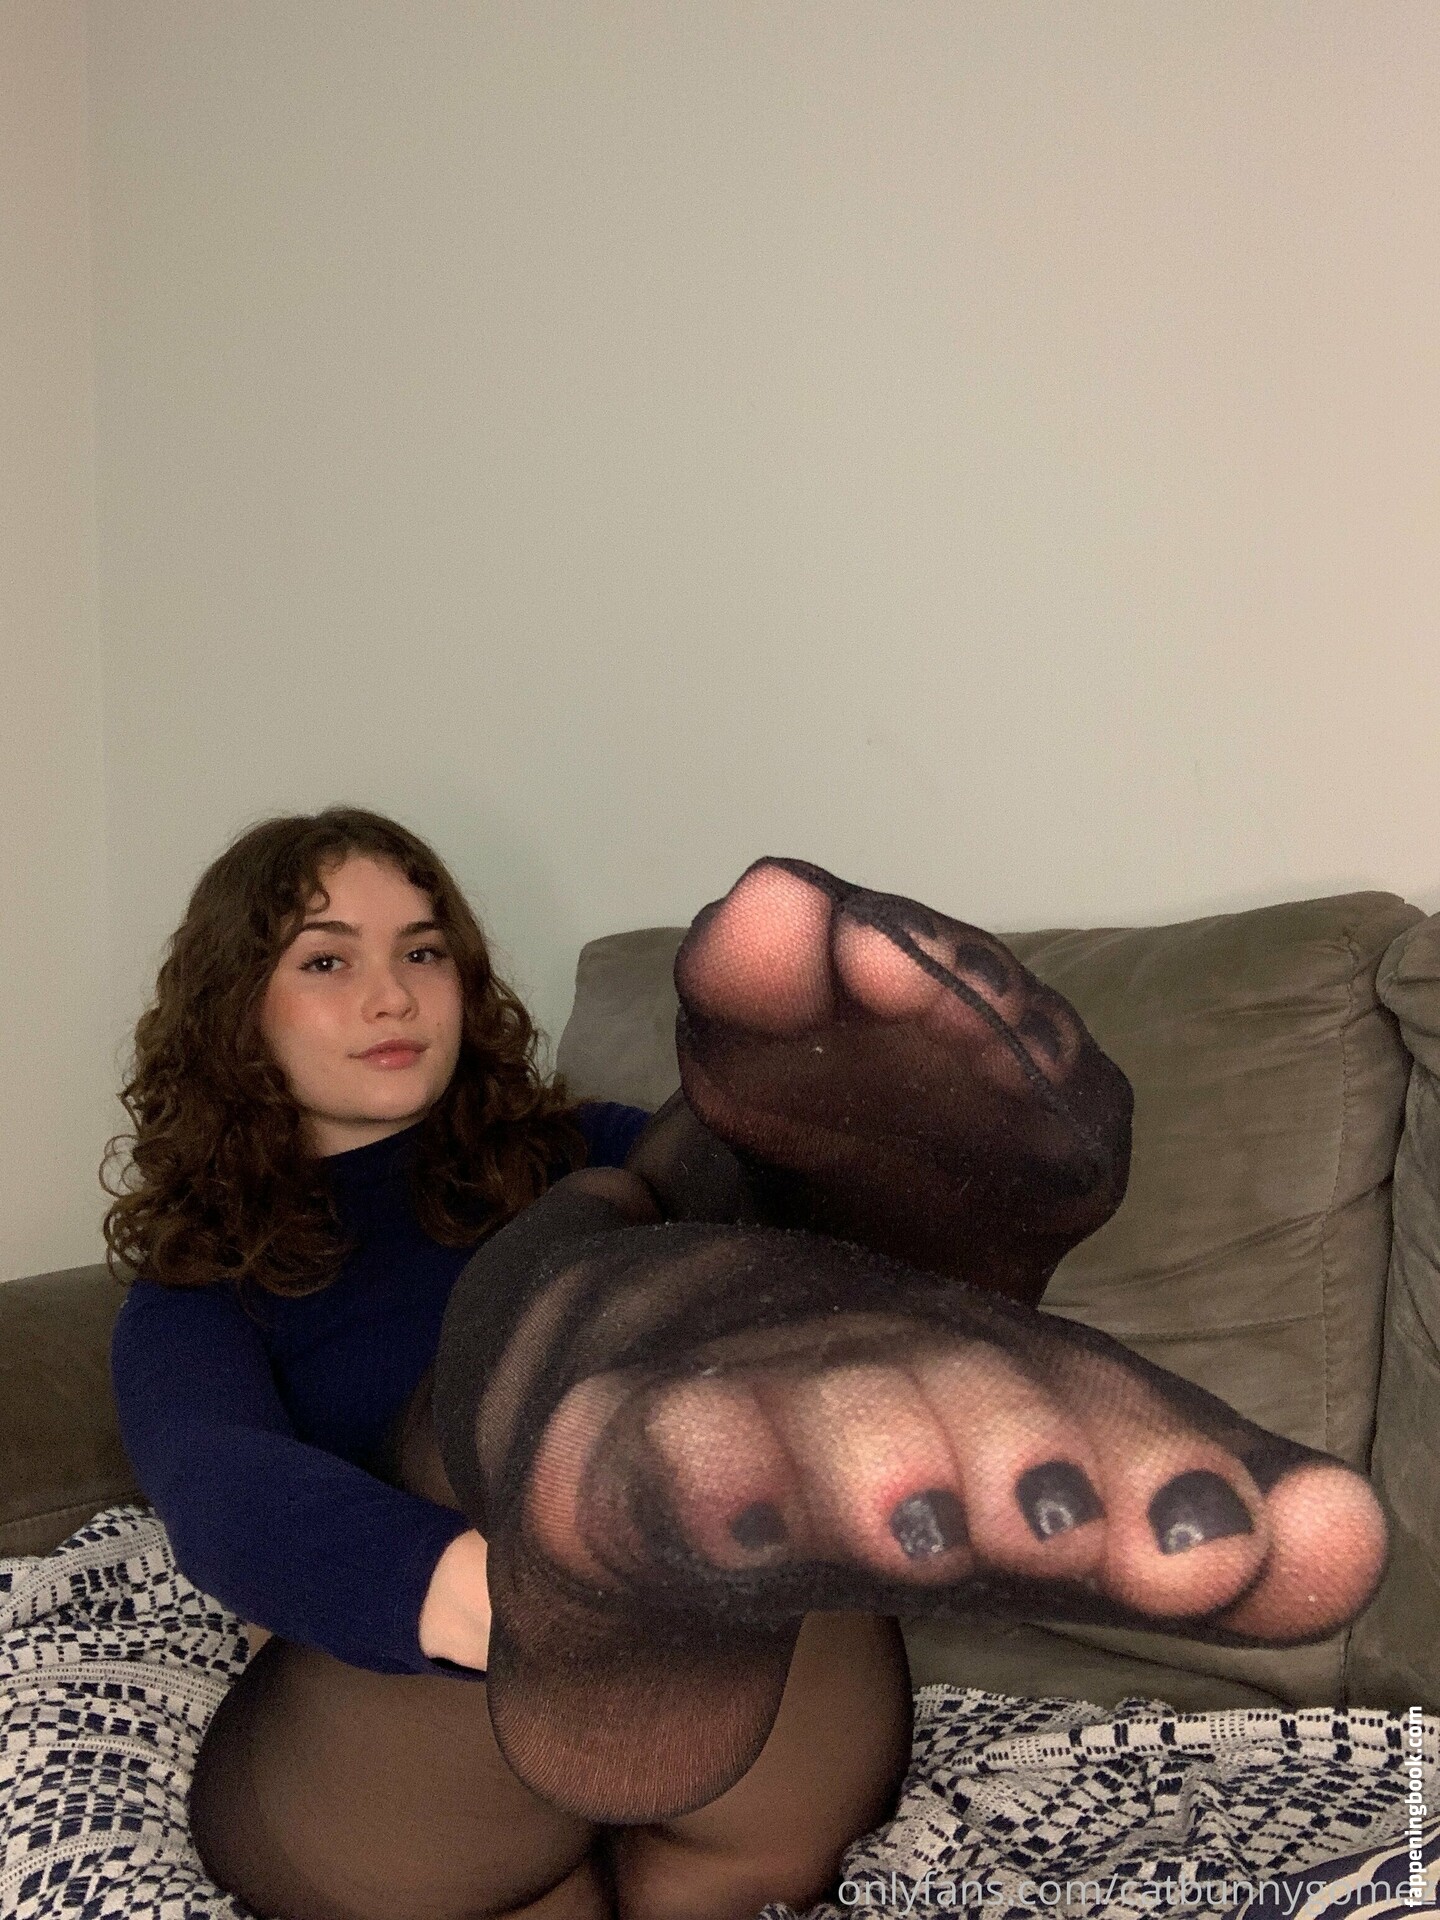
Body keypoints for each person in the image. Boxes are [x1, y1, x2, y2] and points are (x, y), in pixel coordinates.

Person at [105, 807, 1389, 1920]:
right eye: (329, 959)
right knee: (566, 1291)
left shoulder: (578, 1147)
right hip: (430, 1757)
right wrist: (483, 1597)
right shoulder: (205, 1282)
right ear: (237, 1011)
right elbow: (219, 1486)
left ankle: (893, 1195)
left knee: (679, 1229)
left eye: (424, 951)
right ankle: (603, 1505)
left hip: (741, 1733)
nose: (393, 995)